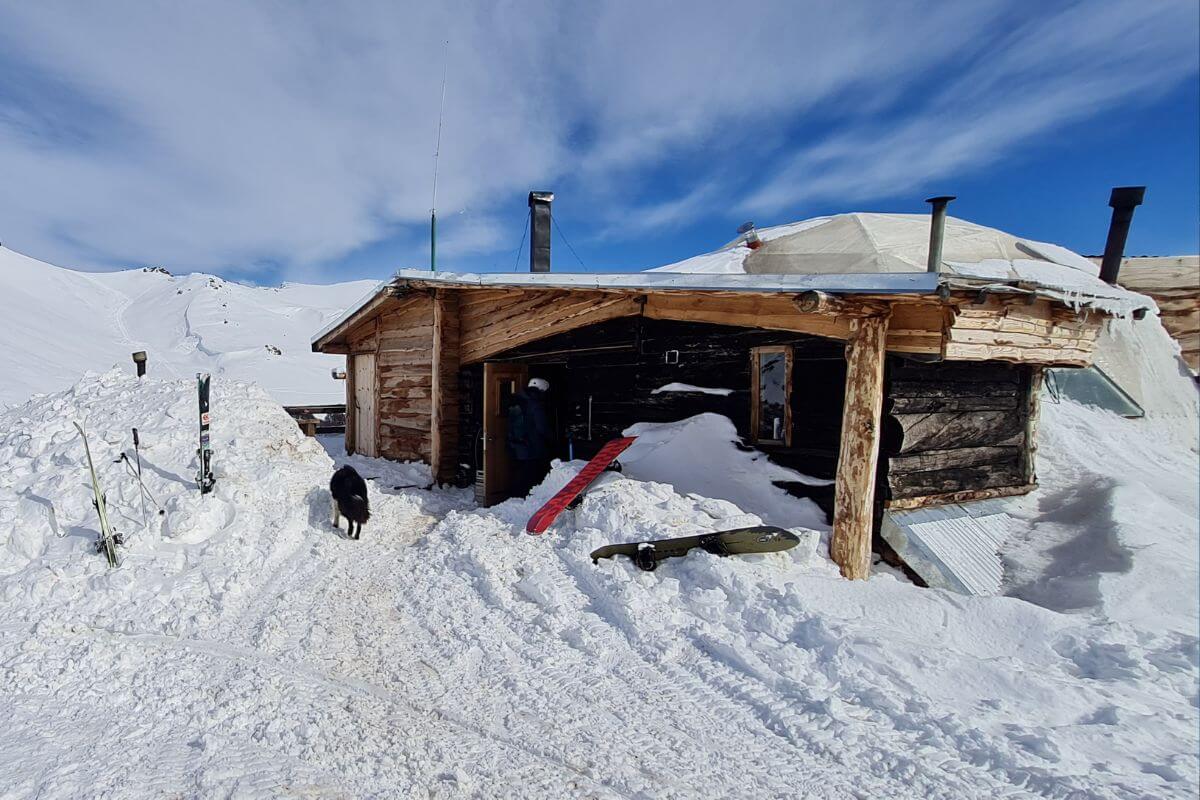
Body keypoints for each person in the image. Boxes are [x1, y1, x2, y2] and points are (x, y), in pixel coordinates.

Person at [507, 377, 554, 497]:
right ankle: (524, 498)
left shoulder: (518, 400)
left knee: (520, 472)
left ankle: (516, 496)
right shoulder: (535, 404)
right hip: (532, 446)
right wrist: (552, 439)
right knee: (530, 474)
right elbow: (541, 427)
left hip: (517, 444)